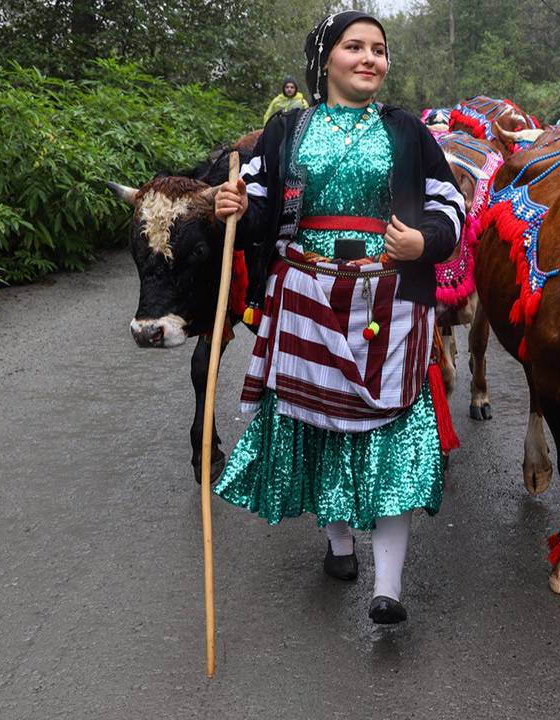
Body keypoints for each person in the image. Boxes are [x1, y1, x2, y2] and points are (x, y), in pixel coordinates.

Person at [212, 11, 465, 623]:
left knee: (394, 433)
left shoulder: (407, 131)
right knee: (318, 424)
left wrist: (424, 243)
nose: (370, 58)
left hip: (390, 300)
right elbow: (260, 204)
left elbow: (448, 201)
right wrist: (234, 207)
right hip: (304, 295)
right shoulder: (286, 131)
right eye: (355, 47)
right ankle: (338, 546)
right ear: (326, 59)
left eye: (379, 49)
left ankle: (388, 587)